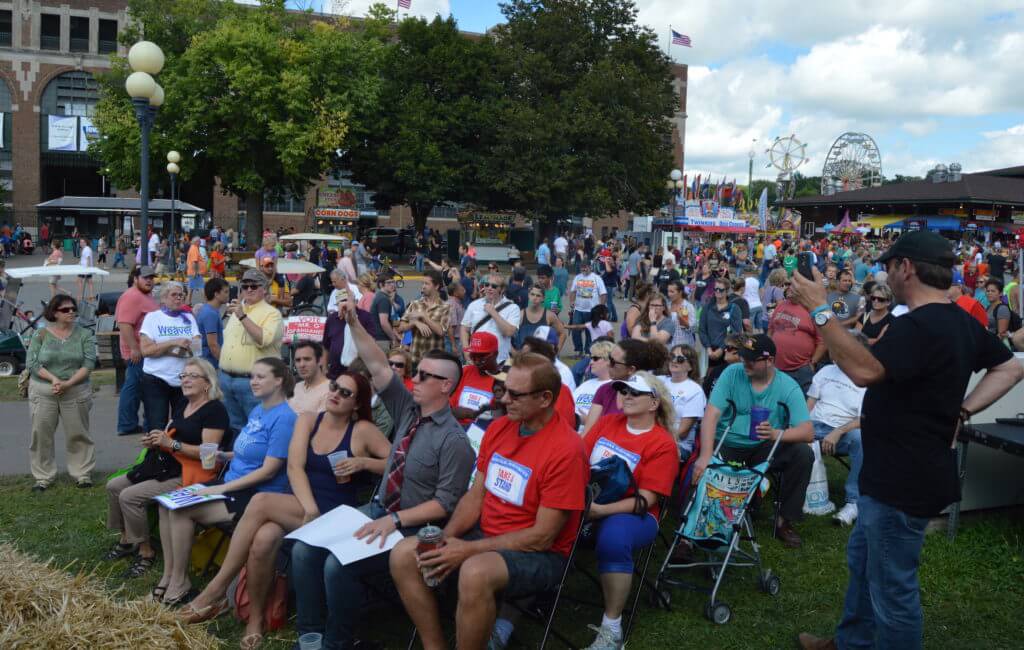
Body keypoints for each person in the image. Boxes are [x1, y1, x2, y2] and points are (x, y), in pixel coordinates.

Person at [793, 230, 1023, 650]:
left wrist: (820, 309)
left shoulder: (917, 326)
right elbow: (1010, 368)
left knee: (892, 590)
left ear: (906, 268)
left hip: (902, 480)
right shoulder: (958, 320)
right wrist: (964, 409)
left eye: (889, 265)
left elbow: (863, 371)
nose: (885, 273)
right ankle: (851, 642)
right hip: (900, 473)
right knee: (864, 561)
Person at [294, 298, 473, 650]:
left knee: (336, 564)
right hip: (380, 510)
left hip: (410, 526)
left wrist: (394, 519)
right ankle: (309, 635)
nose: (415, 378)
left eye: (424, 375)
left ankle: (338, 642)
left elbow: (445, 503)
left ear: (446, 387)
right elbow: (376, 363)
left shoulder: (455, 441)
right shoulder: (409, 408)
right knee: (304, 548)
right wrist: (354, 324)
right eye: (416, 372)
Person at [388, 352, 589, 650]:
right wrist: (447, 537)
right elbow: (475, 497)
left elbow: (543, 536)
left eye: (515, 394)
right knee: (405, 552)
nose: (503, 399)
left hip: (541, 554)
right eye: (504, 389)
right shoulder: (500, 427)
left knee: (475, 571)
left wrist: (466, 549)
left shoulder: (567, 449)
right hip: (487, 535)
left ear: (545, 398)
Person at [180, 371, 391, 645]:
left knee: (260, 501)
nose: (336, 394)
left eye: (346, 393)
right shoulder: (308, 421)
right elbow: (294, 468)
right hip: (303, 506)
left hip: (336, 514)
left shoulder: (362, 431)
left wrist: (364, 463)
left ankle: (216, 590)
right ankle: (255, 620)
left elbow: (395, 461)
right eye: (335, 387)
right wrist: (309, 509)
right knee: (264, 537)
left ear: (357, 404)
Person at [157, 358, 298, 609]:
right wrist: (225, 455)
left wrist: (221, 487)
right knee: (166, 504)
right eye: (252, 376)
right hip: (231, 482)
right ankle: (169, 577)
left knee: (180, 509)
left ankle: (179, 582)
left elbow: (269, 470)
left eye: (260, 377)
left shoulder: (285, 418)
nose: (253, 381)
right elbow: (249, 452)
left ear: (278, 381)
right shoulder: (259, 410)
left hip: (252, 494)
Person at [581, 372, 680, 649]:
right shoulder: (607, 423)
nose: (626, 396)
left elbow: (646, 499)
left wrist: (599, 511)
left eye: (635, 393)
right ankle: (509, 619)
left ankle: (611, 629)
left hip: (635, 513)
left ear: (653, 403)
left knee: (614, 538)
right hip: (590, 501)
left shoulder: (662, 444)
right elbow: (579, 459)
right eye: (623, 391)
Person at [107, 359, 227, 584]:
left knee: (129, 496)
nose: (185, 380)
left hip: (191, 473)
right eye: (183, 376)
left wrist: (172, 445)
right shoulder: (183, 405)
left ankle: (145, 551)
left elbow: (208, 457)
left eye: (192, 376)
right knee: (113, 486)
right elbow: (170, 435)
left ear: (207, 383)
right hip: (167, 464)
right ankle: (126, 539)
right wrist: (157, 441)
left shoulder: (215, 411)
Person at [693, 334, 814, 549]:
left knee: (803, 453)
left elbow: (807, 431)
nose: (744, 362)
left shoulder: (788, 386)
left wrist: (776, 434)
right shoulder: (731, 373)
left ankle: (784, 520)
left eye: (751, 359)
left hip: (763, 446)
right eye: (743, 356)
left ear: (769, 361)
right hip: (728, 442)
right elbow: (711, 414)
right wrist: (705, 456)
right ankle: (688, 537)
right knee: (703, 468)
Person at [26, 295, 96, 491]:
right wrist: (54, 380)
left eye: (73, 308)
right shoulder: (40, 334)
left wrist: (68, 383)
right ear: (54, 313)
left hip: (76, 390)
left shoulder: (84, 334)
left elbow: (89, 363)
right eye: (66, 310)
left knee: (78, 433)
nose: (71, 312)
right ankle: (43, 477)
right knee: (41, 434)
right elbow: (32, 363)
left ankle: (82, 473)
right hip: (43, 390)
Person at [806, 336, 867, 527]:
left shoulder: (865, 379)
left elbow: (864, 418)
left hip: (843, 432)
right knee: (789, 431)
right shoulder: (825, 371)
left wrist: (838, 431)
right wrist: (801, 428)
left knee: (862, 438)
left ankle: (853, 502)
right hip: (814, 426)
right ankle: (791, 495)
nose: (833, 352)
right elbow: (808, 406)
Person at [218, 269, 285, 434]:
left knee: (258, 428)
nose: (248, 289)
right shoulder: (237, 310)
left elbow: (263, 339)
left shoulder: (272, 314)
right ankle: (236, 458)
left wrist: (242, 317)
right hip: (227, 379)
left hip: (252, 383)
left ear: (264, 289)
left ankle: (259, 459)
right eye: (245, 286)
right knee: (233, 427)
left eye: (253, 286)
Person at [139, 282, 201, 432]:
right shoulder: (152, 318)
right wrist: (174, 342)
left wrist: (163, 350)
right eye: (174, 295)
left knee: (181, 426)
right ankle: (155, 455)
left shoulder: (188, 318)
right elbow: (146, 351)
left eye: (181, 295)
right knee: (157, 425)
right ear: (164, 298)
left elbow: (197, 350)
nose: (178, 298)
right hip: (156, 379)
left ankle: (176, 454)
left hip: (183, 379)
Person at [582, 339, 669, 434]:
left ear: (631, 369)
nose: (608, 364)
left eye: (612, 362)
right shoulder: (606, 389)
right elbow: (588, 432)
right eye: (609, 358)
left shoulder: (649, 395)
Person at [115, 267, 159, 436]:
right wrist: (134, 348)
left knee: (139, 388)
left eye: (151, 278)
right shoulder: (132, 296)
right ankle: (127, 424)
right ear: (135, 278)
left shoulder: (144, 295)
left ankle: (135, 423)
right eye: (145, 278)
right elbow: (125, 324)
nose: (149, 281)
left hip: (145, 351)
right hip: (138, 352)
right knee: (134, 387)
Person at [768, 276, 824, 394]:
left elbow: (823, 341)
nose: (788, 288)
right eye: (787, 284)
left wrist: (812, 363)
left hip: (801, 370)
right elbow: (771, 330)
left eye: (792, 285)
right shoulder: (781, 305)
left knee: (802, 405)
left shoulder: (814, 309)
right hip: (777, 368)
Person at [461, 273, 522, 363]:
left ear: (502, 289)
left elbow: (509, 332)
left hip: (499, 361)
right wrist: (466, 351)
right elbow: (464, 329)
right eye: (486, 285)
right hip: (475, 359)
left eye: (494, 286)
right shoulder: (474, 305)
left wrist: (493, 312)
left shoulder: (512, 308)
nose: (489, 288)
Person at [398, 269, 451, 365]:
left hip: (434, 361)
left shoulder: (445, 307)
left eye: (427, 284)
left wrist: (423, 316)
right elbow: (401, 327)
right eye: (422, 283)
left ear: (437, 286)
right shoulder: (415, 304)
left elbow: (441, 331)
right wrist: (415, 323)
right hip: (414, 359)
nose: (423, 286)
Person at [662, 344, 706, 458]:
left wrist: (655, 438)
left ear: (691, 366)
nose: (674, 360)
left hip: (679, 445)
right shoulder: (659, 381)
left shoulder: (694, 390)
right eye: (672, 356)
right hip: (653, 436)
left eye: (680, 359)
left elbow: (682, 432)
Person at [450, 332, 500, 424]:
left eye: (482, 356)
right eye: (473, 356)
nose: (477, 361)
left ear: (495, 354)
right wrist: (455, 412)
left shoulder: (502, 380)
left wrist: (472, 414)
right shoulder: (465, 371)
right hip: (456, 429)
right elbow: (448, 407)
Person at [698, 277, 744, 369]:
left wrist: (721, 349)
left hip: (727, 351)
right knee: (710, 379)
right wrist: (708, 348)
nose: (717, 291)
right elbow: (702, 329)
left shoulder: (734, 308)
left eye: (721, 289)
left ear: (727, 291)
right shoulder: (707, 307)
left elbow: (736, 333)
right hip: (710, 351)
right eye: (716, 289)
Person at [568, 259, 609, 356]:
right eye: (582, 267)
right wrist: (572, 302)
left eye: (585, 267)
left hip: (592, 311)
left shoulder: (597, 278)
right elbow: (573, 291)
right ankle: (578, 350)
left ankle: (588, 351)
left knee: (589, 331)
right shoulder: (577, 278)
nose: (583, 269)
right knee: (575, 330)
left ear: (590, 267)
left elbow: (603, 294)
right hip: (578, 309)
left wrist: (601, 308)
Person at [515, 284, 568, 350]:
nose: (534, 298)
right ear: (528, 295)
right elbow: (509, 336)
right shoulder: (520, 315)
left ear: (543, 298)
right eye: (532, 294)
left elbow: (563, 334)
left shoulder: (549, 315)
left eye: (538, 295)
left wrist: (555, 352)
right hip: (525, 357)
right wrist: (515, 354)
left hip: (543, 357)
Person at [573, 340, 614, 419]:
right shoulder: (586, 384)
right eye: (591, 358)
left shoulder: (615, 387)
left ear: (609, 361)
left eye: (595, 358)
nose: (591, 362)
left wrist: (587, 420)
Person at [289, 340, 330, 416]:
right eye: (298, 360)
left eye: (307, 359)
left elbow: (319, 424)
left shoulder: (331, 391)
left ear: (320, 360)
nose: (302, 365)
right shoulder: (296, 387)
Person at [195, 277, 229, 367]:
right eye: (225, 292)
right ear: (216, 294)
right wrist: (225, 365)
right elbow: (213, 345)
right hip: (210, 363)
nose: (228, 295)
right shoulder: (210, 314)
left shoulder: (210, 310)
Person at [370, 275, 400, 352]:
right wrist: (393, 338)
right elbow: (384, 322)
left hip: (377, 338)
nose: (392, 284)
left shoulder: (380, 296)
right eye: (389, 282)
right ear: (381, 285)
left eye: (393, 282)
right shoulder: (383, 299)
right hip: (382, 340)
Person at [185, 237, 205, 304]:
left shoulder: (193, 248)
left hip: (193, 272)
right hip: (195, 273)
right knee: (202, 288)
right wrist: (195, 272)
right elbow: (194, 261)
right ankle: (207, 303)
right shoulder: (194, 248)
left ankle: (188, 302)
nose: (200, 243)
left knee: (191, 288)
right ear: (196, 242)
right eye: (199, 242)